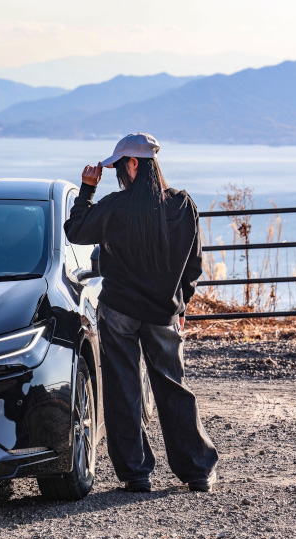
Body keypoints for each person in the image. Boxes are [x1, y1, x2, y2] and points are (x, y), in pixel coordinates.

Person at [63, 133, 219, 493]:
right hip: (164, 312)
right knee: (173, 389)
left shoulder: (115, 206)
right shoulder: (182, 205)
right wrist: (181, 303)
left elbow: (76, 230)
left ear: (134, 164)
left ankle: (136, 474)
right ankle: (197, 471)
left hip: (119, 311)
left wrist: (87, 189)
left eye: (119, 165)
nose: (118, 172)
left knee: (123, 388)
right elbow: (194, 264)